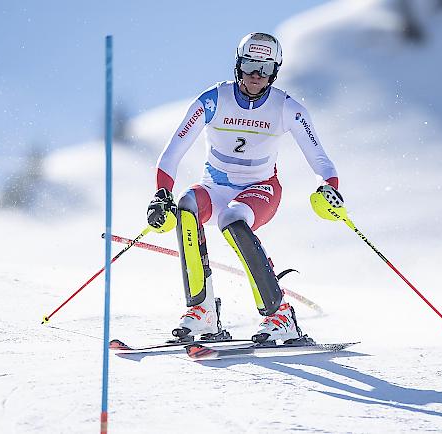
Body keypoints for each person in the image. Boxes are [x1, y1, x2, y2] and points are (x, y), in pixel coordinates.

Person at [146, 32, 344, 344]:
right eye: (250, 65)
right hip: (216, 187)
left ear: (274, 71)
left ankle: (280, 316)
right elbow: (171, 153)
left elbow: (321, 159)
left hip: (261, 189)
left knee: (233, 220)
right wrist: (162, 193)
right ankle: (203, 311)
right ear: (238, 65)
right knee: (186, 206)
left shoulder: (286, 108)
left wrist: (329, 187)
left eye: (264, 69)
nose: (256, 75)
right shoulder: (213, 100)